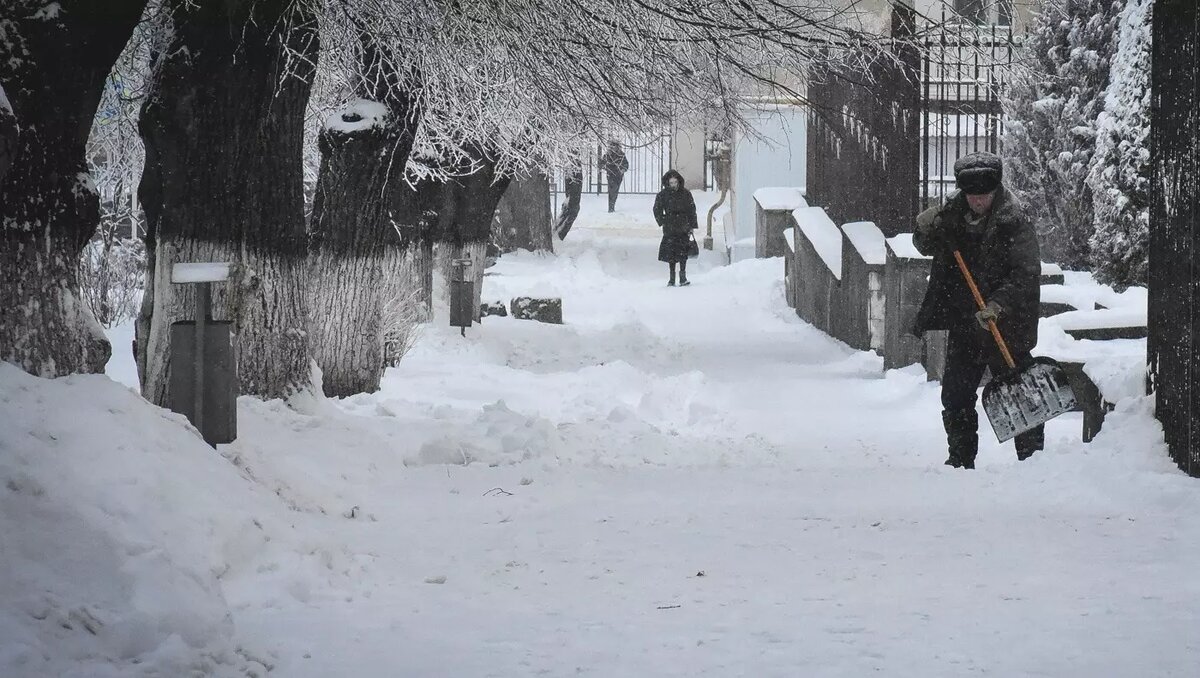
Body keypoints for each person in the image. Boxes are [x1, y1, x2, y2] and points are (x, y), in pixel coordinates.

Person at [912, 151, 1043, 469]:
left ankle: (1033, 462)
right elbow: (928, 246)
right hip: (965, 321)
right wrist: (925, 229)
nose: (977, 202)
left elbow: (1026, 272)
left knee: (1018, 392)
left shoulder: (1014, 220)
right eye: (972, 196)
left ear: (995, 191)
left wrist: (998, 304)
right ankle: (960, 458)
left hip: (1006, 325)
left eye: (983, 196)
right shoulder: (952, 215)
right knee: (955, 393)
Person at [653, 169, 698, 287]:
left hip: (683, 226)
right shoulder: (663, 195)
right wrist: (662, 220)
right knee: (671, 253)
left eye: (675, 182)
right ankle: (671, 278)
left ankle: (683, 277)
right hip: (670, 227)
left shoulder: (686, 194)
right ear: (667, 183)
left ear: (679, 181)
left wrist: (692, 225)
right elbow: (656, 209)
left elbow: (691, 209)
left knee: (683, 252)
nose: (673, 185)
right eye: (671, 183)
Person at [554, 165, 583, 240]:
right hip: (573, 193)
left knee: (569, 210)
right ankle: (558, 234)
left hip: (571, 193)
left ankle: (556, 231)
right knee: (572, 210)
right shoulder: (573, 167)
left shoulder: (570, 167)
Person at [600, 141, 629, 213]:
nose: (613, 148)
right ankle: (611, 207)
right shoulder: (607, 155)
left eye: (615, 146)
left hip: (619, 175)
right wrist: (607, 167)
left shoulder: (621, 155)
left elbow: (626, 164)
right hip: (610, 174)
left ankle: (612, 205)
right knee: (612, 190)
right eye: (612, 146)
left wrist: (623, 169)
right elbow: (601, 164)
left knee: (615, 190)